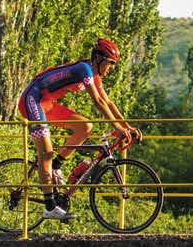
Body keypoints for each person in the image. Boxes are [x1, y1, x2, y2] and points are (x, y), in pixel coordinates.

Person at [17, 38, 142, 222]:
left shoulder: (94, 75)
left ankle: (57, 166)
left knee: (86, 127)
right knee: (46, 153)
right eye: (110, 64)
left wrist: (127, 127)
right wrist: (116, 127)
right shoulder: (84, 70)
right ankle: (50, 207)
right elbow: (98, 102)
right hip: (32, 99)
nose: (111, 69)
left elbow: (108, 102)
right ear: (98, 59)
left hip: (47, 104)